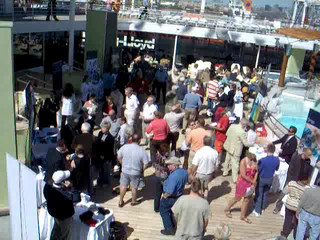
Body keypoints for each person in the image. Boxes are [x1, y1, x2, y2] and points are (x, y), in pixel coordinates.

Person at [273, 148, 313, 214]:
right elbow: (291, 168)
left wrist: (304, 181)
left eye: (310, 155)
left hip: (300, 181)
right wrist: (291, 179)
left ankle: (290, 209)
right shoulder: (296, 156)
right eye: (309, 155)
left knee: (296, 195)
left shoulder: (308, 161)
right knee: (284, 192)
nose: (309, 157)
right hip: (291, 178)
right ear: (305, 153)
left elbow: (306, 171)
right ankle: (277, 207)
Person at [224, 152, 258, 224]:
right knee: (237, 198)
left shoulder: (255, 160)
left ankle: (242, 216)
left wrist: (254, 182)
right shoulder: (243, 161)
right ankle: (227, 209)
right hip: (242, 183)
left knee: (247, 199)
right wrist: (252, 181)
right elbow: (243, 175)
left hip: (250, 183)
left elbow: (257, 172)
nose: (253, 158)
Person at [117, 134, 150, 207]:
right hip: (136, 172)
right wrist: (142, 169)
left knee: (123, 185)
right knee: (134, 187)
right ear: (139, 140)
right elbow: (146, 164)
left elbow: (118, 156)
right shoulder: (142, 150)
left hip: (125, 170)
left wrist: (122, 164)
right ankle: (133, 201)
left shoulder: (124, 147)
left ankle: (120, 201)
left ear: (131, 139)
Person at [160, 157, 189, 236]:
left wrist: (164, 197)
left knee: (163, 212)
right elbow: (188, 181)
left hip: (170, 198)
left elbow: (169, 192)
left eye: (169, 165)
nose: (168, 167)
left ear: (175, 165)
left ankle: (169, 230)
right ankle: (173, 225)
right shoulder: (184, 172)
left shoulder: (173, 176)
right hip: (179, 196)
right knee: (170, 211)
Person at [43, 170, 74, 240]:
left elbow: (45, 194)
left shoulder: (48, 186)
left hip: (55, 214)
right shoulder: (64, 194)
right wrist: (70, 188)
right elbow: (75, 199)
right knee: (65, 234)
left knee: (56, 231)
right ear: (62, 182)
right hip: (64, 217)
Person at [280, 167, 310, 239]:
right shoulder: (307, 189)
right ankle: (296, 235)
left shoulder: (291, 183)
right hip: (298, 207)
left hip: (289, 204)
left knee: (287, 220)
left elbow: (284, 191)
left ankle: (284, 234)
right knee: (297, 223)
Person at [223, 118, 253, 183]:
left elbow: (227, 134)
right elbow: (245, 143)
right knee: (235, 164)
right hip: (236, 150)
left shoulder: (232, 126)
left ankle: (225, 172)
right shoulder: (242, 132)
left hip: (229, 145)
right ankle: (235, 179)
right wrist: (252, 144)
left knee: (227, 159)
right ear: (245, 125)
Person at [253, 143, 279, 216]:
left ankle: (257, 211)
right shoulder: (277, 160)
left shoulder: (262, 160)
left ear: (267, 150)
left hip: (262, 178)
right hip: (270, 178)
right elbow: (277, 169)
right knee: (265, 194)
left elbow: (258, 170)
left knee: (259, 194)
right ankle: (263, 207)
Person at [153, 143, 171, 213]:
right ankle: (164, 207)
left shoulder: (156, 156)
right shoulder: (166, 159)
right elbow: (168, 169)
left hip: (157, 176)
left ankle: (156, 208)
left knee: (157, 193)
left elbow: (154, 165)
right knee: (165, 193)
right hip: (165, 178)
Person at [96, 121, 114, 186]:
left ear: (108, 128)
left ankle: (106, 182)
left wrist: (107, 158)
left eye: (104, 128)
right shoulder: (100, 133)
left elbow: (110, 150)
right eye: (102, 127)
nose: (102, 129)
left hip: (106, 157)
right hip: (99, 155)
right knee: (100, 170)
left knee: (106, 171)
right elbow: (98, 142)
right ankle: (100, 182)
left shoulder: (111, 138)